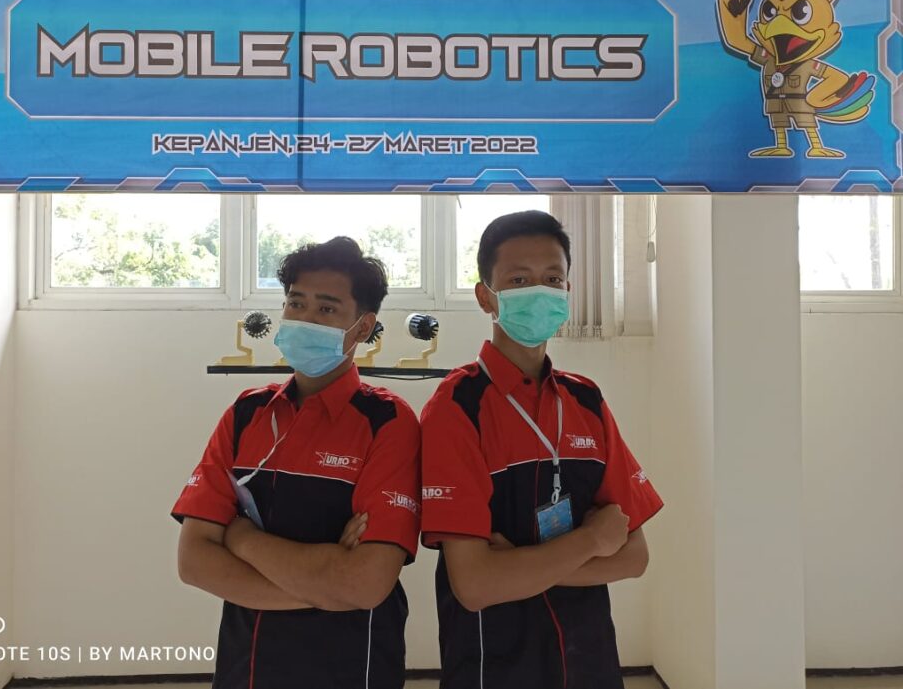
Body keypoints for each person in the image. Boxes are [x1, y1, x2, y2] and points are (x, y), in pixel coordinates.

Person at [420, 210, 663, 689]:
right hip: (493, 666)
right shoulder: (456, 407)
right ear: (486, 297)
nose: (539, 291)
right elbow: (475, 585)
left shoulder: (585, 400)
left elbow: (634, 556)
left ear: (567, 291)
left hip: (590, 664)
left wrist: (516, 565)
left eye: (552, 279)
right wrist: (590, 542)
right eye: (518, 280)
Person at [172, 236, 421, 689]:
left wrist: (240, 538)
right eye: (296, 303)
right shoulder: (247, 414)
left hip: (353, 665)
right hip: (246, 666)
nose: (305, 319)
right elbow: (194, 561)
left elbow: (366, 584)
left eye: (326, 309)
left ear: (363, 327)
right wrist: (327, 584)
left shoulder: (387, 421)